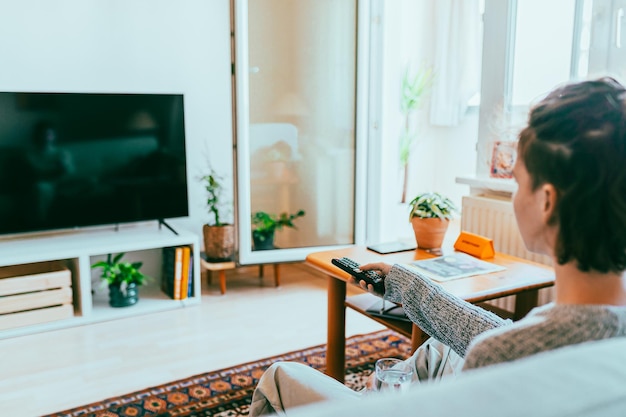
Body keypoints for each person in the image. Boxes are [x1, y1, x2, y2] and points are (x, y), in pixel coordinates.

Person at [248, 77, 626, 416]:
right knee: (440, 349)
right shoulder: (575, 340)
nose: (514, 194)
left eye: (517, 180)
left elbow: (503, 348)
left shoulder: (499, 359)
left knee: (281, 378)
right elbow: (510, 338)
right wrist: (406, 284)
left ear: (547, 201)